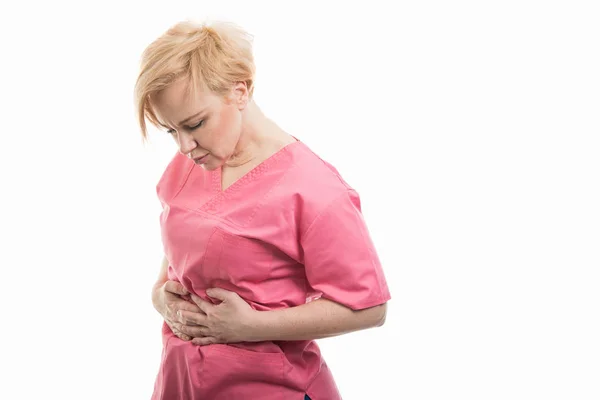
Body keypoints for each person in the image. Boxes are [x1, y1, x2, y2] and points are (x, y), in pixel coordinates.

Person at [134, 19, 391, 400]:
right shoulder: (191, 163)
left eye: (194, 124)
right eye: (171, 131)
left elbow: (370, 308)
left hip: (271, 389)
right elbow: (185, 250)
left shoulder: (314, 190)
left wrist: (249, 326)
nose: (184, 146)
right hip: (182, 382)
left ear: (240, 92)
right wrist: (160, 295)